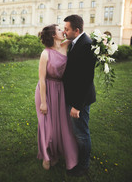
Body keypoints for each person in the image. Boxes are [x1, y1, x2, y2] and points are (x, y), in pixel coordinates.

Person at [35, 24, 78, 171]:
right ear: (54, 35)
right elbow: (41, 79)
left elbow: (83, 39)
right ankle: (46, 155)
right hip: (45, 90)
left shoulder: (67, 45)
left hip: (61, 91)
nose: (63, 31)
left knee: (61, 124)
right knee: (47, 125)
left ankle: (57, 152)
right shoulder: (45, 54)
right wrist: (43, 103)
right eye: (60, 30)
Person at [63, 15, 96, 177]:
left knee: (82, 133)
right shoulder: (77, 42)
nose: (64, 32)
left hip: (79, 100)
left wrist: (77, 105)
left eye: (67, 29)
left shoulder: (86, 45)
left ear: (76, 31)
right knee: (78, 131)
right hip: (74, 97)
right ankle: (77, 158)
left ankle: (83, 166)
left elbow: (86, 80)